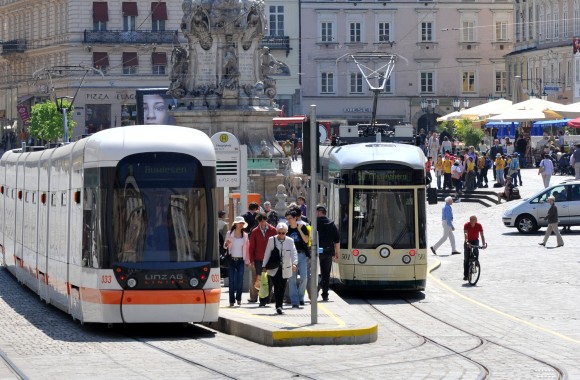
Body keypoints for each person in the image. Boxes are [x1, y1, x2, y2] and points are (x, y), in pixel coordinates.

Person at [262, 223, 298, 314]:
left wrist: (294, 264)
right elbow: (267, 253)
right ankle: (278, 306)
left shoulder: (290, 241)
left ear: (286, 232)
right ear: (277, 232)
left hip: (285, 267)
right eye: (279, 232)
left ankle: (280, 305)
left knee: (283, 286)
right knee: (277, 286)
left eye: (283, 233)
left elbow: (294, 253)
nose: (281, 234)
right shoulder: (272, 240)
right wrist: (264, 265)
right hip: (274, 267)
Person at [248, 212, 277, 306]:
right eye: (260, 221)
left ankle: (267, 297)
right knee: (260, 278)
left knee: (270, 279)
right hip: (259, 258)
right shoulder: (255, 231)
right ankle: (262, 299)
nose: (262, 223)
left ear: (266, 220)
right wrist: (252, 260)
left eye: (264, 221)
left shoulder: (273, 230)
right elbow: (252, 247)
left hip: (270, 258)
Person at [223, 216, 250, 307]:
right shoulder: (229, 233)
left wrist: (247, 261)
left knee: (240, 281)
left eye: (242, 223)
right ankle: (231, 300)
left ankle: (238, 298)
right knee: (231, 281)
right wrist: (226, 243)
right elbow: (225, 246)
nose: (241, 225)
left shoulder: (245, 235)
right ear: (235, 224)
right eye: (239, 223)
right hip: (231, 259)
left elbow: (247, 249)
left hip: (240, 260)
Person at [285, 209, 310, 308]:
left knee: (304, 277)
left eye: (290, 218)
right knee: (292, 279)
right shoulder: (287, 230)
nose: (289, 220)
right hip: (291, 256)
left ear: (296, 218)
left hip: (302, 254)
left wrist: (299, 230)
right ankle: (295, 301)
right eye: (287, 219)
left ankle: (301, 297)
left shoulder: (302, 227)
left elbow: (306, 240)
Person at [316, 205, 340, 302]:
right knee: (326, 274)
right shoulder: (332, 224)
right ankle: (325, 295)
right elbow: (337, 241)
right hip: (329, 252)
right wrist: (337, 253)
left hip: (317, 252)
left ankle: (315, 291)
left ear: (319, 212)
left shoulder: (314, 223)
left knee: (315, 273)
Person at [463, 215, 486, 281]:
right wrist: (467, 242)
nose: (472, 221)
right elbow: (466, 234)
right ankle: (465, 275)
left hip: (475, 240)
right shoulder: (466, 225)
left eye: (473, 220)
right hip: (468, 241)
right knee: (466, 259)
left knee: (476, 248)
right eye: (471, 220)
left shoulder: (479, 225)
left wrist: (484, 244)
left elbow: (482, 235)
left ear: (476, 221)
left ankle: (476, 261)